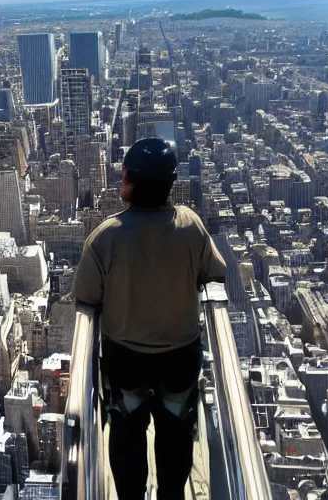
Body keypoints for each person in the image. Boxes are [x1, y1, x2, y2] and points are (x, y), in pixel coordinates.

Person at [73, 137, 226, 500]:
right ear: (170, 184)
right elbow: (215, 273)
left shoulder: (106, 238)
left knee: (127, 433)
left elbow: (86, 296)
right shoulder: (190, 225)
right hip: (180, 357)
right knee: (175, 433)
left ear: (130, 180)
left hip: (126, 360)